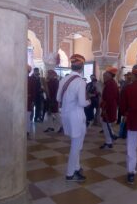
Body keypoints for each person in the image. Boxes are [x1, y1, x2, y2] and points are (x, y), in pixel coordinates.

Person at [57, 54, 90, 182]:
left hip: (65, 115)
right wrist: (89, 102)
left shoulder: (63, 80)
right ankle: (70, 173)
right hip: (76, 117)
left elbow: (57, 99)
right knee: (76, 146)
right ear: (81, 67)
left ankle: (77, 167)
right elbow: (82, 103)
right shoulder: (80, 82)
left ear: (72, 65)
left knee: (75, 144)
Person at [100, 66, 119, 149]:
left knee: (106, 125)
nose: (103, 76)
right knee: (106, 125)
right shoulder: (111, 83)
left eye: (105, 75)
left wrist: (104, 108)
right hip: (109, 107)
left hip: (108, 108)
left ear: (110, 75)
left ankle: (109, 142)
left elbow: (109, 99)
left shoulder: (110, 84)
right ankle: (112, 136)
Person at [27, 65, 36, 137]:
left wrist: (33, 101)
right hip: (23, 102)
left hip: (28, 101)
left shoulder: (31, 80)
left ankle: (27, 131)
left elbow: (33, 91)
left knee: (27, 116)